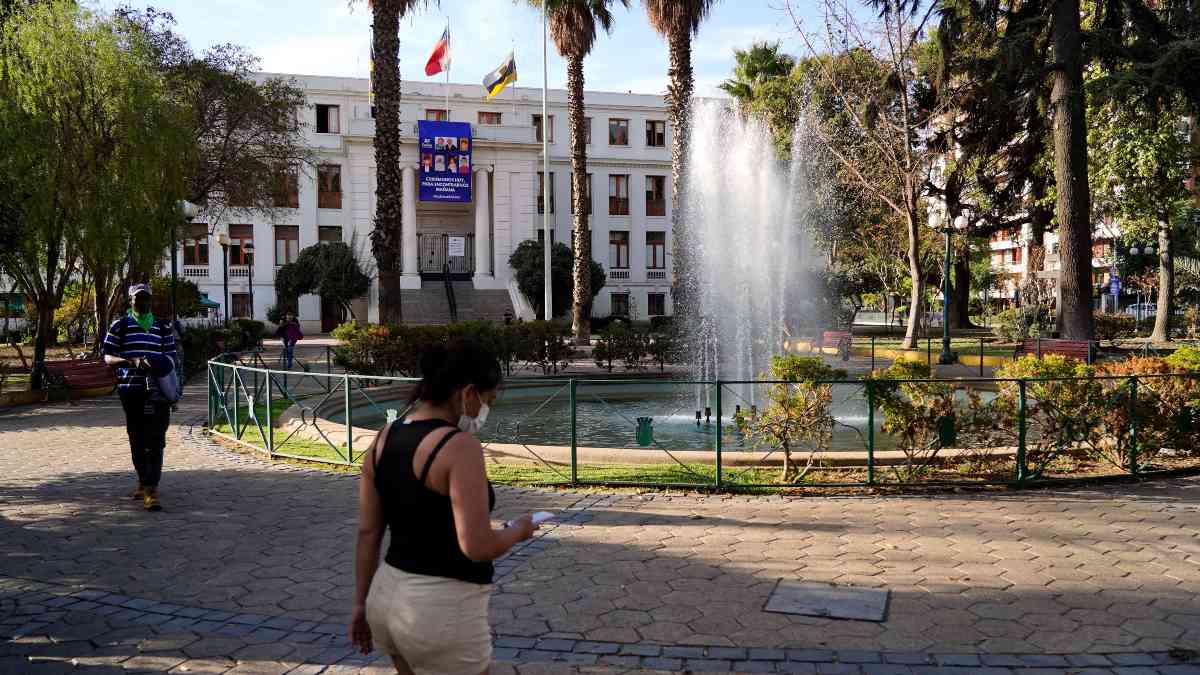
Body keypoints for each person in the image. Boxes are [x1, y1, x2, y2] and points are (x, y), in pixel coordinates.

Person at [350, 339, 538, 675]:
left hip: (387, 598)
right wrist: (518, 530)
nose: (485, 411)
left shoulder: (383, 438)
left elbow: (368, 533)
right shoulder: (459, 447)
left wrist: (360, 605)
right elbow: (477, 546)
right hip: (441, 608)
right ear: (467, 394)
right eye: (487, 400)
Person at [102, 283, 180, 512]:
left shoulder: (163, 327)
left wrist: (171, 385)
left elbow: (173, 359)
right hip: (131, 390)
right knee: (137, 437)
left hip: (159, 391)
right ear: (131, 301)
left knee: (156, 439)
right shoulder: (120, 325)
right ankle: (143, 481)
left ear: (151, 301)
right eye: (138, 298)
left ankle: (151, 487)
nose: (143, 302)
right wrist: (131, 361)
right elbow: (107, 356)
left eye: (146, 298)